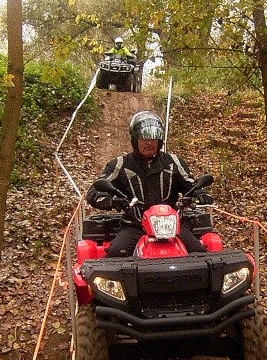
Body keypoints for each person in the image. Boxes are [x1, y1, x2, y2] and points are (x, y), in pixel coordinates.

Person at [87, 110, 214, 258]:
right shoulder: (119, 165)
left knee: (199, 254)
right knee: (116, 255)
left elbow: (191, 184)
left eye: (153, 138)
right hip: (135, 225)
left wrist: (201, 193)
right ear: (135, 140)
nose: (149, 143)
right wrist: (106, 200)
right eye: (143, 138)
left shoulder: (173, 162)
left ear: (159, 141)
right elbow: (95, 189)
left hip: (171, 225)